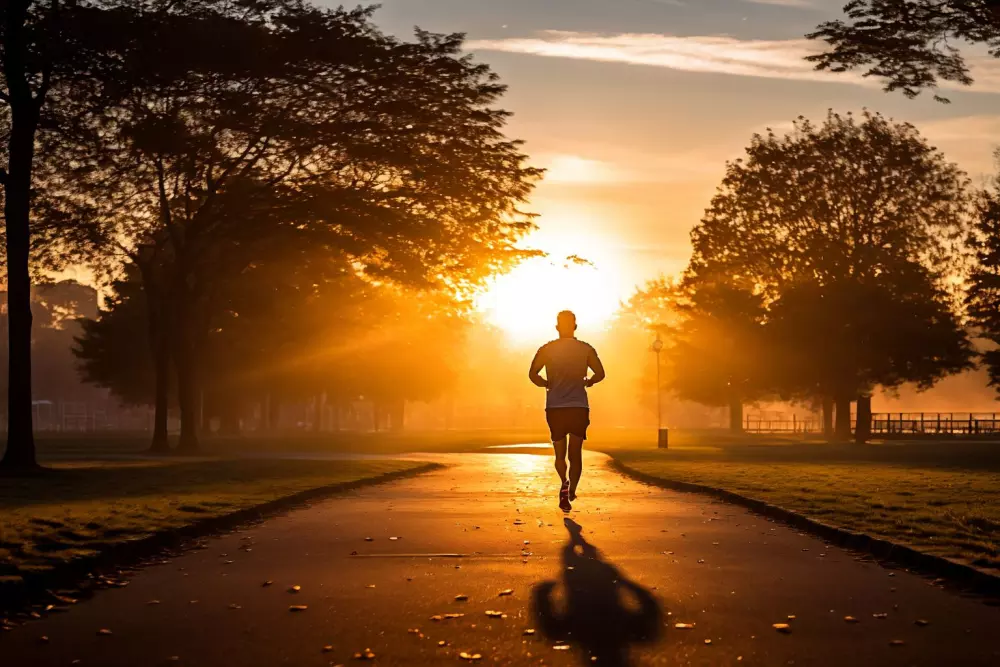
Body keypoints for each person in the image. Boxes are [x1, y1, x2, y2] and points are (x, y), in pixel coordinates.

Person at [528, 310, 606, 511]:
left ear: (556, 327)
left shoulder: (547, 349)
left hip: (555, 406)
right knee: (576, 454)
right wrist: (589, 382)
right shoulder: (585, 349)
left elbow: (532, 374)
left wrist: (547, 383)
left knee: (560, 454)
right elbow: (600, 373)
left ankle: (564, 481)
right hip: (578, 406)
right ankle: (572, 491)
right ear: (576, 327)